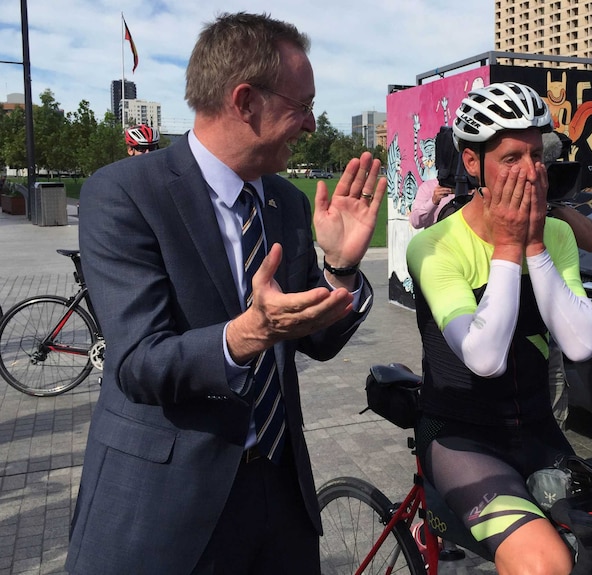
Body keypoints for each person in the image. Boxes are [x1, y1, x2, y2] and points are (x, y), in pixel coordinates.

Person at [66, 13, 385, 575]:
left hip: (280, 499)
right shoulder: (123, 194)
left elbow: (319, 341)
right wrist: (246, 336)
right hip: (167, 508)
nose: (311, 124)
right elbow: (139, 364)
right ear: (245, 101)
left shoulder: (286, 202)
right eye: (303, 105)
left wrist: (340, 268)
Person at [406, 81, 592, 574]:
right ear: (472, 164)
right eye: (512, 158)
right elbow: (484, 357)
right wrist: (510, 247)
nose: (532, 172)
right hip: (460, 437)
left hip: (535, 427)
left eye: (537, 155)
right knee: (544, 565)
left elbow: (580, 346)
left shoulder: (555, 234)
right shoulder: (434, 244)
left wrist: (535, 245)